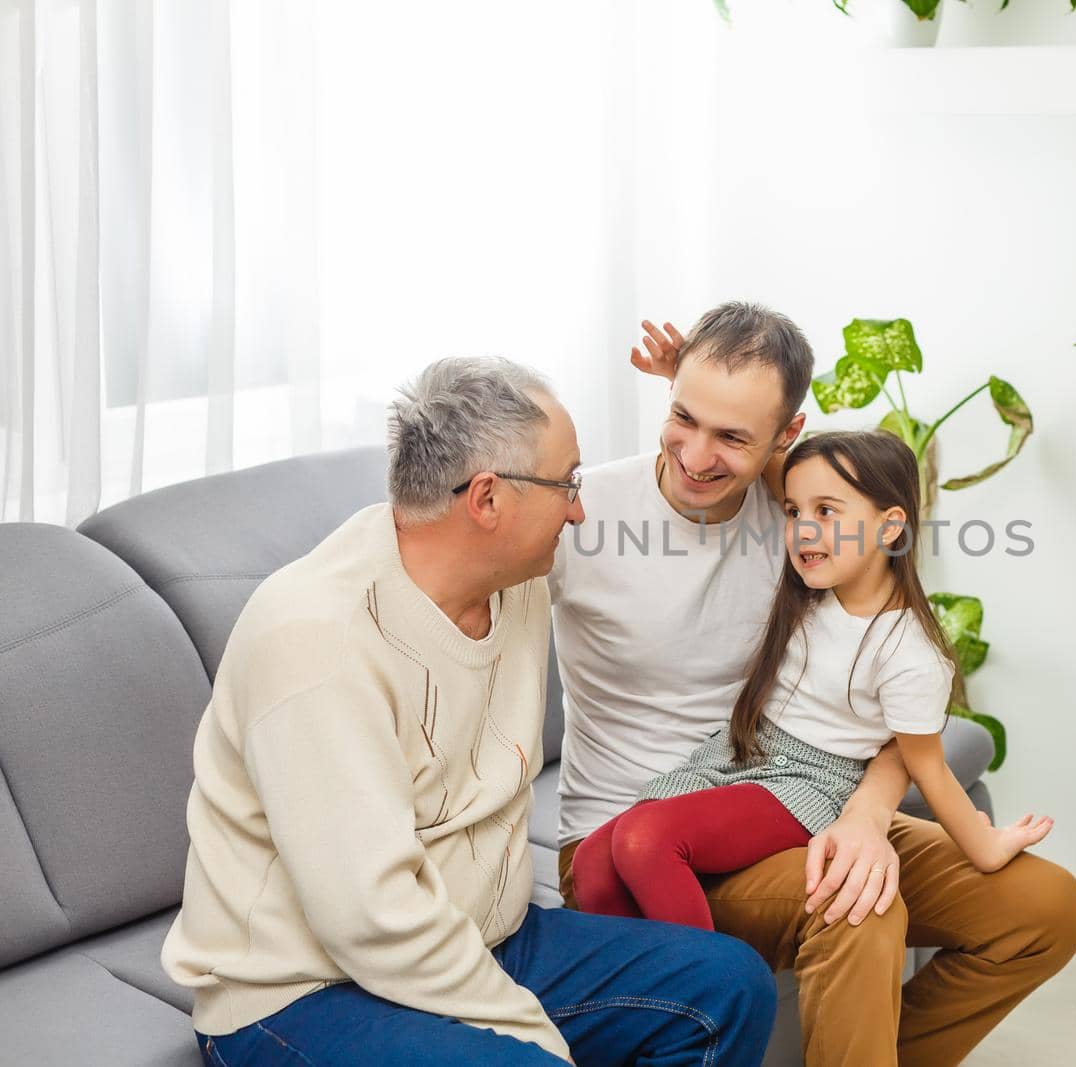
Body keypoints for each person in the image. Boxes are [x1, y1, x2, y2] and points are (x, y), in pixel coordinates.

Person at [162, 357, 776, 1067]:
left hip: (485, 936)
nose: (580, 508)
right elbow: (370, 917)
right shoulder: (314, 638)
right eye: (567, 484)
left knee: (729, 987)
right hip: (303, 990)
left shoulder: (517, 582)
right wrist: (530, 1030)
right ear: (487, 500)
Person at [550, 303, 1076, 1066]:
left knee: (1047, 908)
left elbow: (896, 690)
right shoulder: (584, 512)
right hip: (633, 830)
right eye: (684, 417)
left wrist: (870, 813)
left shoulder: (805, 520)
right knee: (857, 906)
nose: (696, 455)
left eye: (734, 435)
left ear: (785, 437)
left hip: (801, 796)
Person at [571, 430, 1055, 930]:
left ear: (890, 528)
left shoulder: (909, 652)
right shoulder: (810, 591)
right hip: (739, 756)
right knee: (592, 864)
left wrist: (988, 848)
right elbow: (770, 459)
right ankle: (646, 1001)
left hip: (811, 782)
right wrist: (707, 401)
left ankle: (714, 992)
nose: (803, 530)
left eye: (826, 512)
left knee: (645, 838)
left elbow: (928, 766)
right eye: (794, 513)